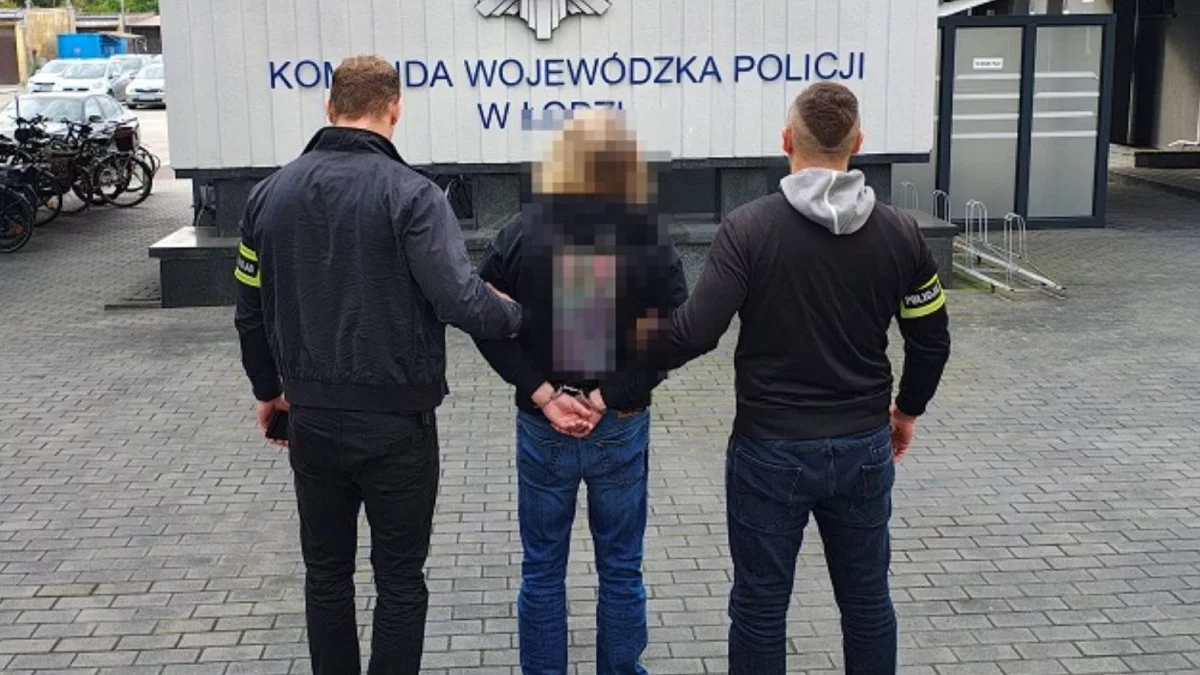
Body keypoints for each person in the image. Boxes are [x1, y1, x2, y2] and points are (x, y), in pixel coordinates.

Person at [645, 82, 952, 674]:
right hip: (864, 445)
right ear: (858, 144)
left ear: (786, 141)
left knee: (760, 609)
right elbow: (931, 339)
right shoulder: (901, 233)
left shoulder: (747, 228)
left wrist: (619, 353)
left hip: (769, 450)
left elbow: (695, 332)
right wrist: (907, 410)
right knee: (867, 604)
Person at [234, 55, 521, 675]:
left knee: (326, 574)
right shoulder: (413, 195)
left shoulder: (267, 195)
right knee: (399, 580)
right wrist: (516, 315)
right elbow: (459, 299)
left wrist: (268, 388)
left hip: (310, 418)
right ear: (395, 109)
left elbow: (249, 308)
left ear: (328, 107)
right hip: (397, 426)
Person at [473, 109, 688, 675]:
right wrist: (607, 395)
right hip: (619, 421)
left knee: (542, 568)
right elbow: (675, 335)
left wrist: (544, 393)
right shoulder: (648, 237)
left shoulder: (521, 232)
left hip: (543, 423)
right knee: (621, 567)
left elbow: (483, 320)